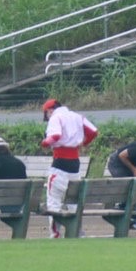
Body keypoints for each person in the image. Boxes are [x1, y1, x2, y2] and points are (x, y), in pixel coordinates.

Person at [40, 98, 98, 238]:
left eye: (46, 114)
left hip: (60, 162)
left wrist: (44, 143)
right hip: (75, 163)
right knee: (72, 200)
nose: (47, 117)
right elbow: (93, 131)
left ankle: (55, 234)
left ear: (50, 110)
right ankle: (77, 231)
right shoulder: (77, 116)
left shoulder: (56, 117)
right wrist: (84, 143)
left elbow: (55, 135)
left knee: (54, 200)